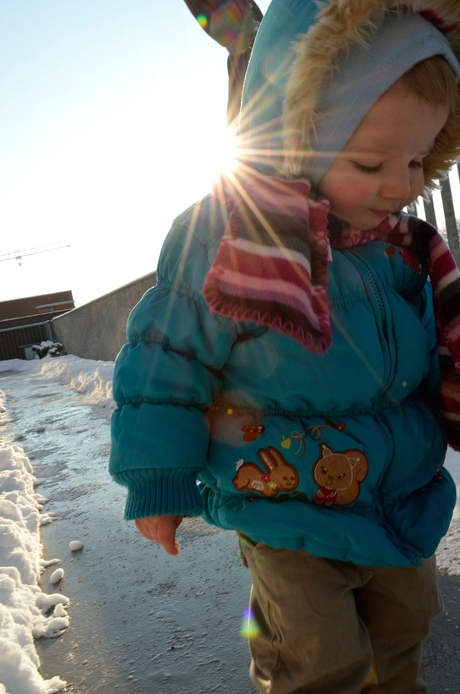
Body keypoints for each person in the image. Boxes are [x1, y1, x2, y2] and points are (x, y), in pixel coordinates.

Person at [109, 1, 460, 692]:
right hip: (283, 504)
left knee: (404, 632)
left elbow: (427, 359)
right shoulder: (232, 236)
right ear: (301, 138)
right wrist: (157, 478)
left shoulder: (405, 253)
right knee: (316, 658)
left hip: (399, 500)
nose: (403, 185)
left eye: (420, 159)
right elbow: (167, 358)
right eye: (371, 161)